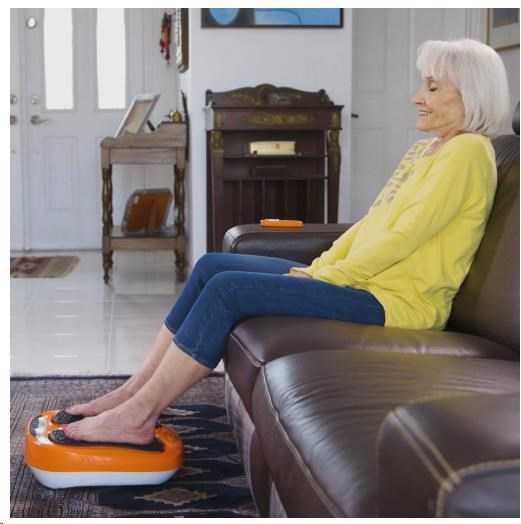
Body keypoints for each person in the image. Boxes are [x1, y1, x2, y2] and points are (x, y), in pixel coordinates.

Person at [62, 39, 510, 445]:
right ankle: (132, 391)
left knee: (228, 290)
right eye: (422, 85)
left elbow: (404, 238)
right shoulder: (426, 150)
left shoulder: (467, 152)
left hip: (397, 301)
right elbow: (373, 225)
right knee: (212, 266)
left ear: (469, 96)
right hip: (364, 284)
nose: (417, 96)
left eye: (432, 88)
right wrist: (322, 267)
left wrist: (329, 278)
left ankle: (138, 417)